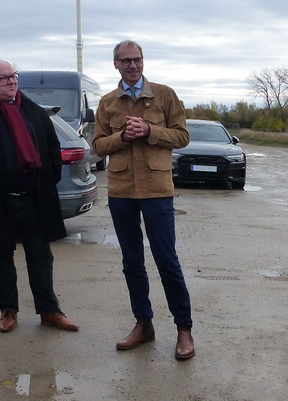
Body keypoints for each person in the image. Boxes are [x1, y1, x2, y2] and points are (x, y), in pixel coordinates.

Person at [93, 40, 195, 360]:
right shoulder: (108, 102)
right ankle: (143, 324)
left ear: (143, 61)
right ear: (115, 64)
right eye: (125, 61)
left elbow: (182, 136)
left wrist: (150, 130)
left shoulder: (164, 95)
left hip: (157, 191)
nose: (132, 65)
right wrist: (122, 136)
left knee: (167, 261)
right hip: (122, 191)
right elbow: (98, 146)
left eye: (137, 60)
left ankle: (184, 329)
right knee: (132, 262)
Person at [0, 60, 80, 333]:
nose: (11, 82)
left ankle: (49, 311)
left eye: (13, 76)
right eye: (4, 78)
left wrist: (47, 177)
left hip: (33, 198)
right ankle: (8, 311)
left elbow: (53, 149)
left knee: (41, 257)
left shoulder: (33, 111)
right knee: (0, 257)